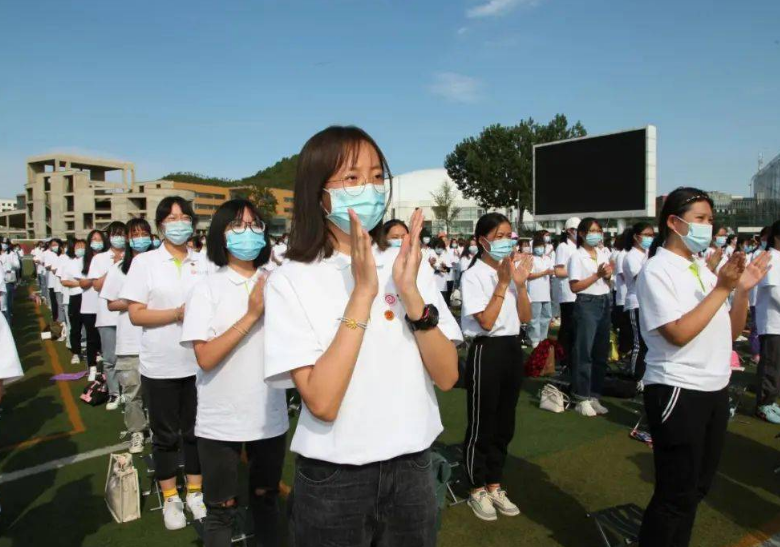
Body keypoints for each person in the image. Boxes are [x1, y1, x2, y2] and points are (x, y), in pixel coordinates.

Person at [263, 126, 462, 546]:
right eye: (351, 178)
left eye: (375, 176)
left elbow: (446, 376)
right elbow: (321, 401)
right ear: (319, 193)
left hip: (413, 468)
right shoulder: (290, 280)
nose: (368, 189)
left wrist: (410, 296)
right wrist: (363, 295)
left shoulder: (408, 265)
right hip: (335, 478)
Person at [636, 187, 769, 547]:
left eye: (710, 220)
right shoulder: (657, 270)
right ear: (674, 223)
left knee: (696, 488)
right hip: (678, 388)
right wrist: (723, 288)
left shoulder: (701, 268)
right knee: (675, 494)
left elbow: (729, 330)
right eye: (700, 219)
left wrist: (740, 290)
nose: (708, 227)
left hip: (713, 387)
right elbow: (678, 333)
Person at [182, 199, 289, 547]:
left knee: (267, 500)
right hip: (221, 417)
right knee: (221, 509)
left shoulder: (279, 282)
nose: (250, 233)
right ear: (221, 235)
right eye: (238, 226)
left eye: (256, 225)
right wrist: (251, 315)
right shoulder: (206, 288)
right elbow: (206, 358)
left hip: (269, 415)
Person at [122, 196, 208, 531]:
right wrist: (176, 314)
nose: (179, 223)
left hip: (198, 362)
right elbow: (136, 313)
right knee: (164, 434)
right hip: (160, 363)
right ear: (160, 225)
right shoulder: (145, 263)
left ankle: (195, 491)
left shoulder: (201, 261)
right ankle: (171, 497)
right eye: (172, 218)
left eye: (184, 217)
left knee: (195, 432)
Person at [460, 212, 532, 521]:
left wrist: (520, 285)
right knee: (482, 421)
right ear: (482, 241)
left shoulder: (511, 272)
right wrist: (503, 285)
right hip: (486, 350)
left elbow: (525, 317)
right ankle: (476, 487)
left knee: (505, 421)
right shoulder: (473, 275)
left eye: (508, 235)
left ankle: (494, 482)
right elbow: (486, 322)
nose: (506, 242)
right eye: (499, 236)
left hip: (512, 348)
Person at [100, 218, 154, 454]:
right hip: (130, 342)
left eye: (144, 233)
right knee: (132, 392)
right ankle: (136, 432)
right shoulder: (119, 268)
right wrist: (136, 299)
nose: (140, 238)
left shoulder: (158, 265)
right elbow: (111, 304)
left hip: (157, 341)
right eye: (135, 234)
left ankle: (159, 429)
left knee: (161, 393)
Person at [568, 218, 613, 417]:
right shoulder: (577, 256)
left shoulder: (603, 253)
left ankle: (594, 394)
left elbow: (609, 281)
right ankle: (581, 396)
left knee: (601, 352)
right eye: (592, 231)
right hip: (587, 303)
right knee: (584, 351)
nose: (596, 234)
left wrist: (608, 275)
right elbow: (574, 286)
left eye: (599, 230)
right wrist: (597, 275)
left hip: (604, 300)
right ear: (582, 234)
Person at [88, 221, 126, 408]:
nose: (119, 237)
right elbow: (96, 285)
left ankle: (128, 391)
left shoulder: (135, 257)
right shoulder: (100, 259)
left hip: (128, 315)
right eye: (115, 234)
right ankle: (114, 393)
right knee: (110, 358)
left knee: (129, 357)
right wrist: (115, 267)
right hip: (107, 315)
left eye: (122, 234)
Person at [755, 220, 780, 423]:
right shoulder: (769, 257)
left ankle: (771, 401)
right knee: (771, 364)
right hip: (772, 321)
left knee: (776, 365)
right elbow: (774, 291)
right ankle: (764, 404)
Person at [623, 222, 654, 381]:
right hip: (636, 302)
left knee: (648, 342)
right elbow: (640, 278)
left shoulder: (648, 254)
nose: (650, 238)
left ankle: (645, 376)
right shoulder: (631, 256)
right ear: (636, 237)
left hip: (648, 303)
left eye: (651, 235)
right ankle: (635, 377)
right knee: (639, 343)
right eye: (647, 235)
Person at [77, 230, 107, 380]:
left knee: (105, 339)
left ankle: (105, 367)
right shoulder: (84, 260)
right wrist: (97, 279)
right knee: (91, 338)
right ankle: (92, 367)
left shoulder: (109, 258)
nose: (97, 242)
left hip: (105, 305)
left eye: (99, 239)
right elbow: (82, 283)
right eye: (94, 239)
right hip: (89, 306)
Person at [554, 217, 580, 370]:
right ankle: (562, 359)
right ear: (570, 231)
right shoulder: (563, 247)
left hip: (580, 292)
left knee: (576, 328)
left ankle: (571, 358)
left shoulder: (580, 248)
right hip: (568, 293)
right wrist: (577, 271)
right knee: (567, 327)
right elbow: (559, 271)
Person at [60, 239, 88, 365]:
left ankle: (95, 351)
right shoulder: (70, 263)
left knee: (90, 326)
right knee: (75, 327)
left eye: (83, 246)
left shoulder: (90, 262)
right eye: (78, 246)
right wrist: (79, 283)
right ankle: (76, 352)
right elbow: (64, 281)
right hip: (75, 297)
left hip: (89, 297)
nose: (80, 248)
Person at [527, 232, 554, 348]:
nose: (540, 249)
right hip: (534, 292)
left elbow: (551, 272)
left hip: (546, 292)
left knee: (547, 316)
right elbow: (529, 275)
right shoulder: (531, 259)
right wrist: (544, 273)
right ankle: (534, 339)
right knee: (534, 317)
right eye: (538, 246)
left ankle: (543, 337)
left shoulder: (547, 259)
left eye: (542, 246)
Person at [0, 239, 21, 324]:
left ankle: (8, 323)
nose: (3, 245)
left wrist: (10, 263)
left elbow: (17, 265)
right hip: (2, 280)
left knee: (7, 305)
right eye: (2, 243)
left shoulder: (12, 254)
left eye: (5, 243)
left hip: (8, 280)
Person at [43, 239, 64, 323]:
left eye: (56, 245)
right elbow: (47, 266)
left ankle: (62, 320)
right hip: (53, 282)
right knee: (55, 302)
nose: (54, 247)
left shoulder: (63, 255)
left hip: (63, 283)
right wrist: (55, 267)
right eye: (53, 245)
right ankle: (56, 319)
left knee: (62, 304)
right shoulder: (49, 254)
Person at [430, 237, 453, 305]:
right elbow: (428, 269)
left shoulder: (445, 255)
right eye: (438, 247)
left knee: (442, 303)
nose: (440, 249)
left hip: (442, 284)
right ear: (434, 247)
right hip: (432, 283)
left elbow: (448, 269)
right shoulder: (431, 254)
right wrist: (435, 268)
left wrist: (444, 266)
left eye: (441, 247)